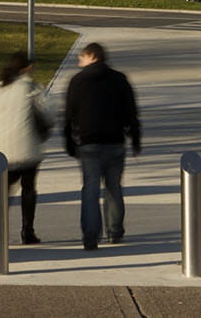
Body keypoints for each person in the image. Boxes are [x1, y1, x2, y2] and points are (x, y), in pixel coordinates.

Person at [63, 41, 140, 249]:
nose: (79, 62)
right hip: (115, 141)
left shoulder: (78, 81)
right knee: (114, 186)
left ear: (92, 56)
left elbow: (69, 115)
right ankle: (115, 230)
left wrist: (69, 141)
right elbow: (131, 112)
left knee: (90, 188)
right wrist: (135, 138)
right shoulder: (119, 79)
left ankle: (90, 235)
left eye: (82, 57)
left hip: (89, 143)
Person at [0, 50, 49, 245]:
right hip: (27, 149)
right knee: (28, 190)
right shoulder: (32, 88)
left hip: (2, 152)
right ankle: (28, 231)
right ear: (27, 68)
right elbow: (47, 114)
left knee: (3, 192)